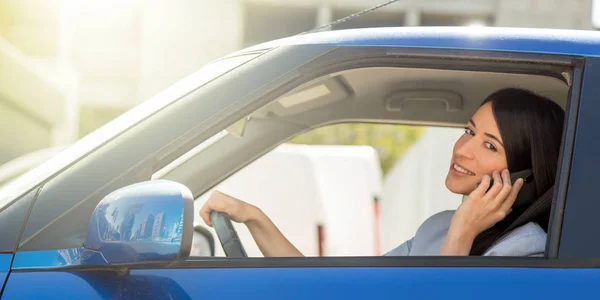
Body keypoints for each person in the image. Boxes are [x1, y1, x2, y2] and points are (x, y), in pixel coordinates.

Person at [199, 88, 565, 257]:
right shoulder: (438, 227)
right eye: (469, 131)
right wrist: (252, 216)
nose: (462, 149)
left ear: (525, 176)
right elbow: (327, 288)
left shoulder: (527, 252)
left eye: (489, 145)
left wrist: (463, 231)